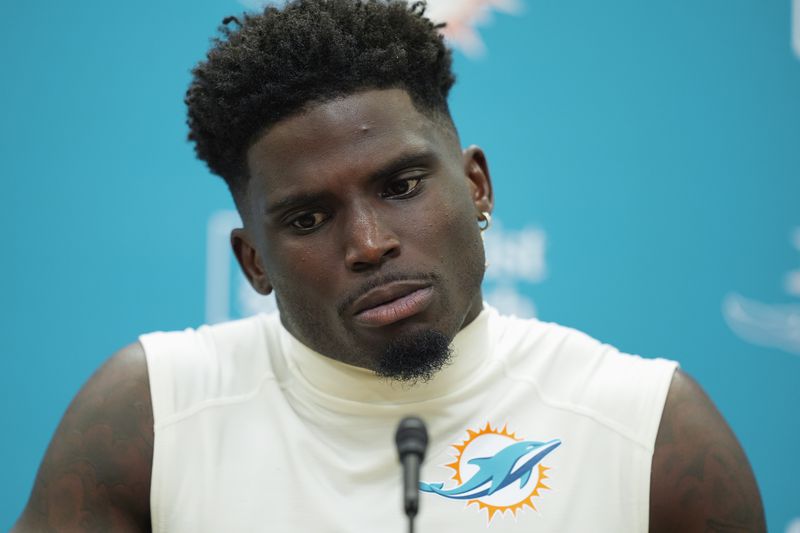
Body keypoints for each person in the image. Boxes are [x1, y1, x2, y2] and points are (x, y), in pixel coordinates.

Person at [14, 1, 765, 531]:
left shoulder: (652, 431)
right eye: (308, 218)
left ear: (477, 186)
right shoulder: (149, 418)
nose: (369, 242)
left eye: (401, 186)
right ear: (253, 262)